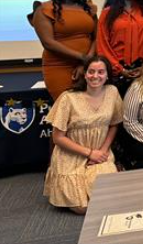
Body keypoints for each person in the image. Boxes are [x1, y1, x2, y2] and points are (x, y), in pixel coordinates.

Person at [43, 56, 122, 214]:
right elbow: (57, 138)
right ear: (84, 74)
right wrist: (89, 153)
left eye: (101, 72)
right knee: (82, 208)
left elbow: (114, 124)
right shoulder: (68, 98)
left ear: (107, 75)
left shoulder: (112, 92)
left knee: (105, 200)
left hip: (100, 152)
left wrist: (103, 151)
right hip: (71, 155)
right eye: (91, 72)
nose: (95, 76)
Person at [32, 0, 97, 100]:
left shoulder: (88, 8)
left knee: (91, 110)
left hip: (88, 66)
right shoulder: (44, 9)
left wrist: (86, 62)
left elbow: (97, 37)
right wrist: (82, 58)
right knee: (68, 111)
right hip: (59, 67)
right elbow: (48, 43)